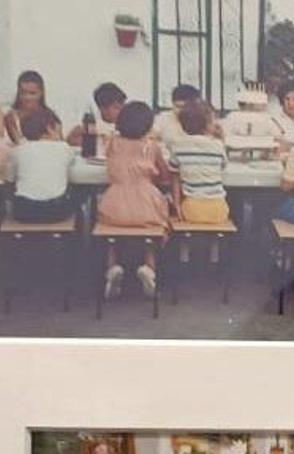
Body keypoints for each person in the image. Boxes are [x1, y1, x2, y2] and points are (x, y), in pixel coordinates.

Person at [96, 101, 171, 300]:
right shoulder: (151, 146)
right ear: (148, 126)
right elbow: (164, 175)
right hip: (146, 204)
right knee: (153, 231)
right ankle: (149, 266)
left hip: (114, 204)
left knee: (111, 233)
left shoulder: (112, 143)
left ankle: (112, 267)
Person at [6, 109, 75, 224]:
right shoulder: (64, 148)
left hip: (23, 211)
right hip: (56, 210)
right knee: (79, 193)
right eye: (59, 131)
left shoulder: (18, 150)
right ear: (49, 129)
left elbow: (9, 179)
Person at [168, 101, 229, 225]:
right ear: (207, 124)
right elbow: (222, 165)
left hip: (191, 210)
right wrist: (221, 139)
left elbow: (175, 178)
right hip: (218, 210)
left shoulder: (178, 146)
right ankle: (215, 244)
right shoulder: (217, 146)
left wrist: (177, 205)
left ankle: (184, 244)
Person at [2, 69, 58, 144]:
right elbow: (17, 143)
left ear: (41, 93)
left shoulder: (49, 116)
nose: (27, 98)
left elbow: (58, 140)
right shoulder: (11, 117)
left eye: (32, 93)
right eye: (23, 93)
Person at [67, 82, 127, 148]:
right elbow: (71, 139)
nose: (122, 111)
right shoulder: (92, 123)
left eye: (123, 106)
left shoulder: (127, 123)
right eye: (117, 107)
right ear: (103, 109)